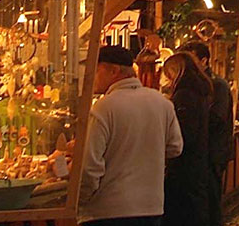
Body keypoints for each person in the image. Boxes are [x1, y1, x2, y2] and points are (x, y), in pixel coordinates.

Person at [78, 44, 183, 226]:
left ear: (114, 71)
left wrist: (81, 199)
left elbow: (89, 166)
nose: (91, 77)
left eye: (96, 70)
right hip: (151, 207)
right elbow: (175, 147)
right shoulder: (161, 102)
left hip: (108, 211)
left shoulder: (104, 108)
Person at [178, 41, 234, 226]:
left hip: (212, 155)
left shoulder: (217, 85)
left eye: (192, 60)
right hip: (199, 156)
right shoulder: (193, 86)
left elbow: (217, 119)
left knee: (210, 204)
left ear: (204, 61)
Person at [161, 51, 212, 226]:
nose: (168, 79)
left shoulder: (184, 94)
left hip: (184, 165)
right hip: (197, 162)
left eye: (169, 74)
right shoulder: (201, 90)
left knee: (182, 212)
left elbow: (184, 133)